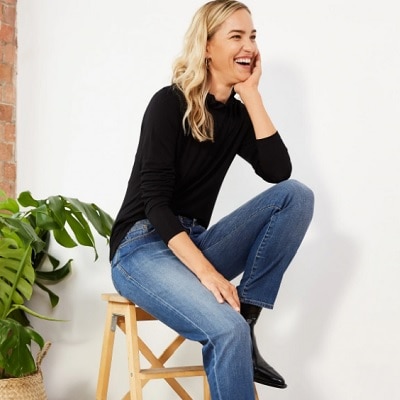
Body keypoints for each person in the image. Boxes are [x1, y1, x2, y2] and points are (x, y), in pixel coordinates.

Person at [109, 1, 314, 398]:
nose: (249, 46)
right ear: (206, 46)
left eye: (252, 36)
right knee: (225, 328)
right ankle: (239, 328)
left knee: (295, 197)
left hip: (194, 242)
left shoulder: (236, 118)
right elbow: (156, 204)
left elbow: (278, 172)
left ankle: (249, 321)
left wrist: (251, 95)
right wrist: (207, 273)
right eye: (235, 36)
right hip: (142, 248)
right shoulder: (169, 104)